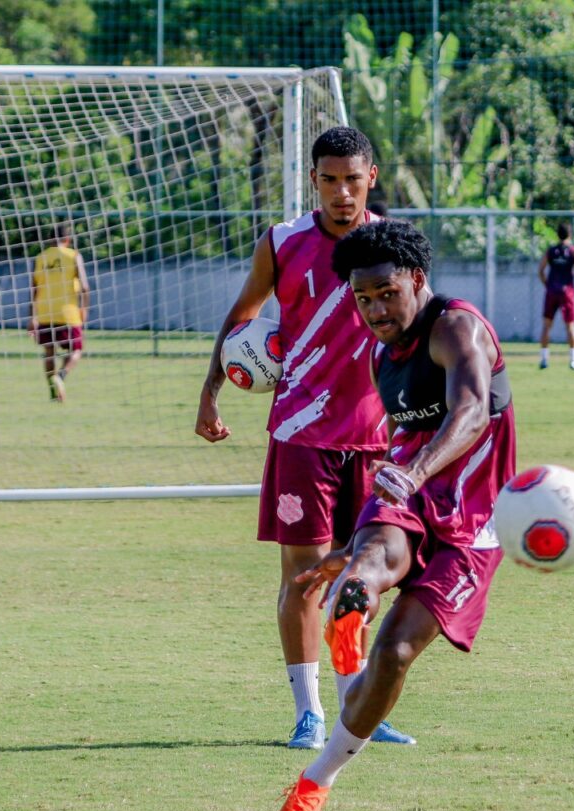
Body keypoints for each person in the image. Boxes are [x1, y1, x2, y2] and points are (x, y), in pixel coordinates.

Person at [270, 220, 516, 811]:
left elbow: (470, 414)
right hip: (405, 495)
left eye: (387, 293)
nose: (376, 309)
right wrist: (353, 549)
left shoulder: (455, 327)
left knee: (398, 651)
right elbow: (406, 444)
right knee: (376, 554)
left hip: (472, 522)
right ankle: (355, 600)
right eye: (363, 299)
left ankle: (314, 782)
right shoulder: (385, 353)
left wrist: (417, 472)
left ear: (418, 281)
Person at [194, 126, 414, 751]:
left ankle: (358, 705)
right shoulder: (283, 242)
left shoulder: (395, 247)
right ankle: (309, 712)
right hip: (301, 433)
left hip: (376, 437)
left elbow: (417, 334)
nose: (341, 192)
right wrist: (210, 390)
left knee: (363, 571)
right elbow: (241, 317)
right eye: (328, 180)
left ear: (372, 176)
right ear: (312, 180)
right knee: (304, 574)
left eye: (352, 178)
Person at [28, 221, 89, 402]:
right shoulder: (74, 255)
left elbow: (34, 289)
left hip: (45, 312)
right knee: (76, 350)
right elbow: (85, 287)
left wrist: (32, 317)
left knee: (49, 353)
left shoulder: (40, 258)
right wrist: (84, 308)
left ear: (49, 240)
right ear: (67, 239)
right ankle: (60, 377)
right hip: (68, 312)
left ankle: (53, 393)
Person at [538, 222, 574, 371]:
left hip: (551, 291)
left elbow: (541, 270)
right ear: (570, 234)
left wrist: (548, 285)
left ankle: (544, 359)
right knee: (570, 325)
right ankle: (573, 360)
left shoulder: (551, 251)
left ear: (557, 234)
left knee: (546, 325)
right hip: (567, 292)